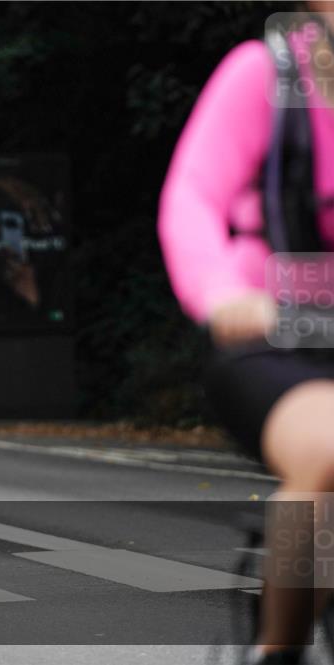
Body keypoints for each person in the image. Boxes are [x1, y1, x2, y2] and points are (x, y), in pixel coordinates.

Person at [158, 9, 334, 664]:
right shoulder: (263, 75)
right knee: (328, 448)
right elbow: (193, 198)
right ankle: (279, 648)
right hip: (278, 341)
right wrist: (221, 292)